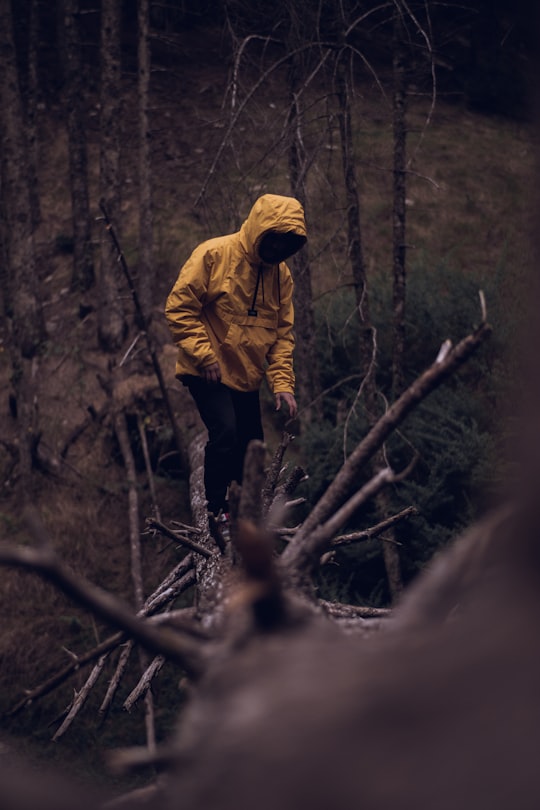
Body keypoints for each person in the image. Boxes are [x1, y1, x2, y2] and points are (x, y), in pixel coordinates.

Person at [165, 193, 307, 520]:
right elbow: (179, 308)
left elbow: (282, 334)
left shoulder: (281, 277)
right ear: (260, 232)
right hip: (207, 369)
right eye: (272, 242)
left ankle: (242, 513)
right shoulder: (214, 255)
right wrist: (203, 355)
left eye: (284, 245)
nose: (275, 251)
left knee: (252, 445)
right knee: (225, 433)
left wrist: (283, 383)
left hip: (245, 374)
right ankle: (215, 510)